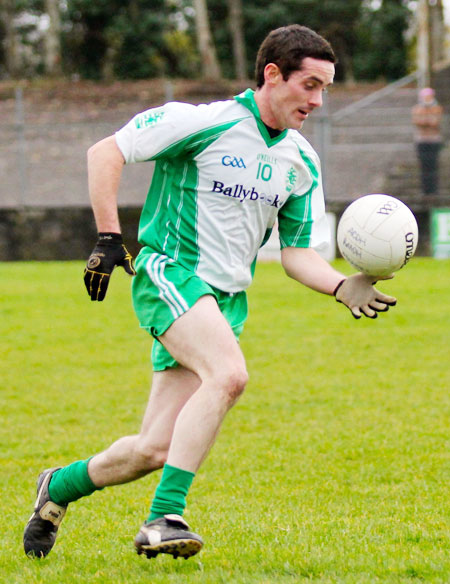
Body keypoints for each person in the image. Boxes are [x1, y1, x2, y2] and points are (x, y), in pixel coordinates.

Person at [23, 24, 397, 561]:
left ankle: (56, 489)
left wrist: (343, 285)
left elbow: (294, 254)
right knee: (230, 374)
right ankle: (163, 517)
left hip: (223, 303)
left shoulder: (301, 162)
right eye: (310, 85)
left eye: (325, 89)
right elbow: (106, 152)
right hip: (169, 274)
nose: (317, 100)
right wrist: (109, 236)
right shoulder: (201, 122)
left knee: (152, 448)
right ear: (272, 74)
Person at [412, 87, 443, 196]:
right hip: (422, 141)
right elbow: (418, 121)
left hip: (434, 141)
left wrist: (426, 119)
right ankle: (425, 190)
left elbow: (435, 121)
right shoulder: (417, 108)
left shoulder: (437, 108)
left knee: (433, 165)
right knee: (424, 166)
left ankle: (433, 189)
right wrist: (427, 119)